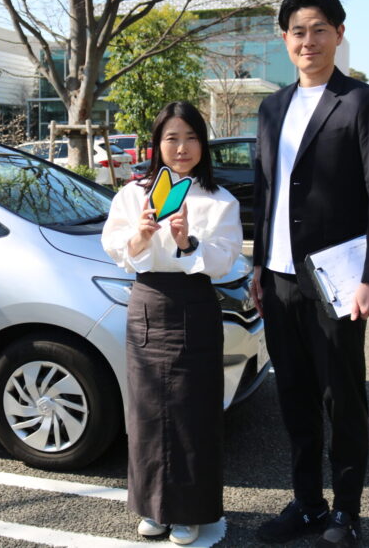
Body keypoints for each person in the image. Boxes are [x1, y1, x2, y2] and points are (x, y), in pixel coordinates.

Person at [250, 0, 369, 547]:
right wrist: (259, 266)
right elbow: (266, 195)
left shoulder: (364, 101)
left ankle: (348, 512)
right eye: (297, 31)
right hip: (281, 279)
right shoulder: (271, 107)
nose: (307, 40)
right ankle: (308, 504)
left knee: (343, 396)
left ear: (339, 32)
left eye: (318, 29)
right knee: (293, 395)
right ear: (284, 39)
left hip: (338, 281)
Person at [102, 101, 243, 546]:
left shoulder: (220, 200)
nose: (181, 148)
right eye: (171, 138)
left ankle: (189, 512)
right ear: (156, 144)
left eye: (191, 137)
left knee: (193, 412)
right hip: (147, 302)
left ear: (203, 142)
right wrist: (141, 235)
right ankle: (152, 508)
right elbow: (114, 247)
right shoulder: (133, 194)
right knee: (146, 412)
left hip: (196, 306)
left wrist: (187, 241)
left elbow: (223, 261)